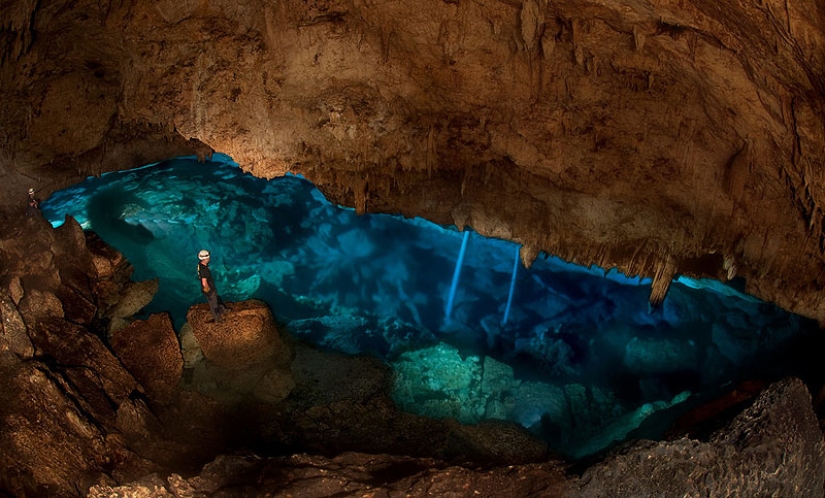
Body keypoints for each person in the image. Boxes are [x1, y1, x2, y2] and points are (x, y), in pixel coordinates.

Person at [197, 249, 227, 322]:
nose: (209, 258)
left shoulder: (201, 265)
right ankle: (218, 318)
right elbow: (204, 282)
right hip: (209, 289)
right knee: (213, 304)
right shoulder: (204, 270)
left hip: (210, 287)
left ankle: (223, 310)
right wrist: (209, 291)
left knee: (216, 299)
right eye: (208, 257)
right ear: (205, 259)